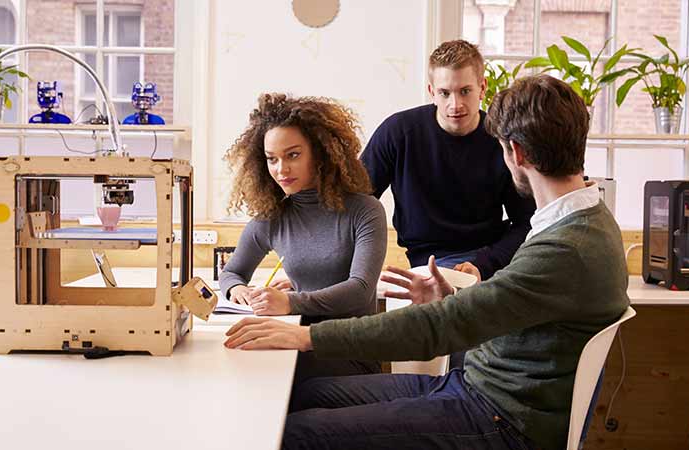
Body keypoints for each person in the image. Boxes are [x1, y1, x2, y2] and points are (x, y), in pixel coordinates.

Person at [224, 75, 631, 450]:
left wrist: (306, 337)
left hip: (501, 419)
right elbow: (504, 308)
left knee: (295, 434)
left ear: (516, 152)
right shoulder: (578, 224)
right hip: (474, 386)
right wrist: (448, 298)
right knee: (305, 396)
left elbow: (440, 328)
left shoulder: (567, 246)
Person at [219, 93, 387, 385]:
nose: (281, 169)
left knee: (257, 379)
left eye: (293, 155)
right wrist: (239, 292)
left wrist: (290, 302)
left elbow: (359, 289)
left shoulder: (365, 211)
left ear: (320, 154)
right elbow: (232, 273)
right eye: (272, 159)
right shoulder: (273, 217)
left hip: (348, 353)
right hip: (292, 340)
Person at [361, 39, 535, 282]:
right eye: (445, 93)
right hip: (427, 263)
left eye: (465, 91)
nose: (455, 105)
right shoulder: (398, 133)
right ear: (432, 92)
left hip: (491, 258)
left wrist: (483, 265)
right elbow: (357, 202)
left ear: (482, 88)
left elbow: (528, 222)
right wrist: (362, 270)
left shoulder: (502, 140)